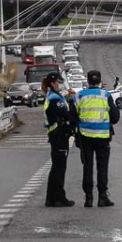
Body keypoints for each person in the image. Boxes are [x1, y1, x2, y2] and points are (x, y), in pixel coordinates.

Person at [74, 70, 121, 208]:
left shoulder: (79, 96)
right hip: (102, 136)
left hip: (85, 137)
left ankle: (88, 198)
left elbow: (72, 116)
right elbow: (115, 117)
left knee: (87, 167)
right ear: (100, 81)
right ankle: (102, 196)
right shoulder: (105, 95)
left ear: (87, 81)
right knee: (102, 167)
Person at [42, 72, 76, 207]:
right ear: (52, 83)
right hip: (59, 134)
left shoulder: (53, 97)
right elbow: (66, 115)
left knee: (56, 167)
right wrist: (72, 103)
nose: (59, 84)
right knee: (59, 168)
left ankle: (50, 198)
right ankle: (60, 198)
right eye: (58, 82)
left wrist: (67, 97)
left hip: (55, 134)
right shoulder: (55, 99)